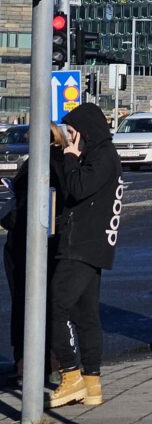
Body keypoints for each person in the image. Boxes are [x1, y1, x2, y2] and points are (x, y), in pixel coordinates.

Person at [47, 104, 123, 409]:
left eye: (72, 132)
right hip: (92, 245)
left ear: (85, 131)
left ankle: (71, 375)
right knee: (86, 315)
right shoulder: (102, 155)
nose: (68, 137)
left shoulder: (102, 156)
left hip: (81, 246)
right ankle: (92, 383)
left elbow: (77, 188)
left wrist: (69, 158)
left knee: (55, 305)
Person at [2, 123, 66, 381]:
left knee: (25, 301)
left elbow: (29, 207)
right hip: (51, 242)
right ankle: (51, 359)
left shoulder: (42, 164)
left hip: (27, 244)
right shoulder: (63, 160)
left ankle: (27, 362)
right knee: (48, 302)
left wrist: (9, 216)